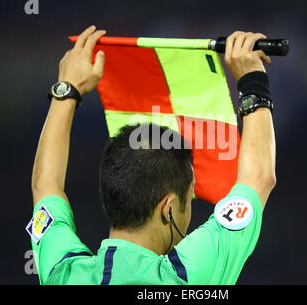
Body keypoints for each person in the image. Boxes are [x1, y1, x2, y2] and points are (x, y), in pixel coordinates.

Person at [27, 25, 277, 284]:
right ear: (168, 208)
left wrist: (66, 91)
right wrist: (252, 78)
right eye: (188, 199)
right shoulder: (185, 276)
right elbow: (259, 177)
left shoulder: (64, 274)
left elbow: (44, 184)